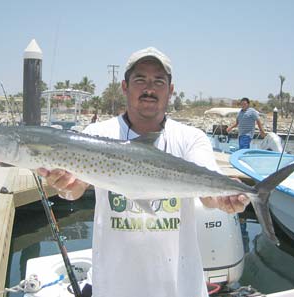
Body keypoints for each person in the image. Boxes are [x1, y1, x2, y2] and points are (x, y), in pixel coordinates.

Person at [37, 46, 250, 297]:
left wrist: (226, 198)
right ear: (125, 87)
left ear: (170, 90)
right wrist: (65, 187)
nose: (149, 88)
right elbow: (75, 189)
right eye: (140, 79)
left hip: (180, 289)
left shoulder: (191, 138)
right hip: (113, 288)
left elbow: (208, 194)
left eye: (158, 81)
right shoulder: (96, 135)